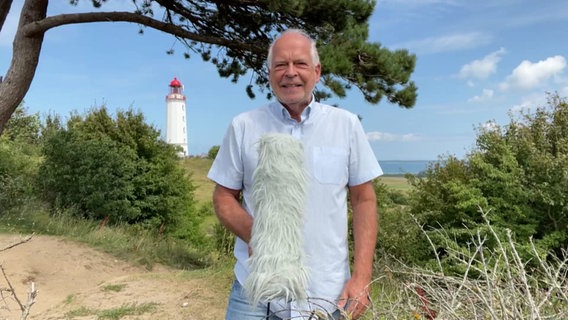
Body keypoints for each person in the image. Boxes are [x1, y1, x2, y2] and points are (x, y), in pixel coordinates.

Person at [208, 29, 383, 320]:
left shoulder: (346, 125)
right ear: (269, 73)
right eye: (280, 65)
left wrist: (362, 278)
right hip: (255, 292)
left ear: (317, 71)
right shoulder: (243, 126)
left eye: (300, 64)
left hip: (326, 294)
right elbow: (223, 196)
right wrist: (258, 236)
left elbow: (364, 200)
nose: (290, 73)